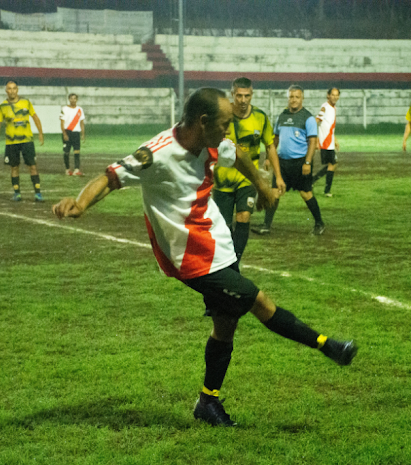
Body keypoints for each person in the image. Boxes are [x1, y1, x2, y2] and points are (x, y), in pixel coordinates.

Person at [52, 88, 358, 428]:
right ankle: (328, 346)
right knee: (259, 302)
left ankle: (207, 403)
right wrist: (80, 203)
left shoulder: (211, 142)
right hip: (191, 259)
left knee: (226, 326)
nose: (228, 130)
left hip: (219, 246)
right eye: (224, 123)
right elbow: (109, 178)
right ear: (203, 121)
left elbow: (236, 154)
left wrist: (261, 186)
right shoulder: (158, 153)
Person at [213, 77, 285, 263]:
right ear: (232, 94)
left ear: (252, 95)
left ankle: (234, 262)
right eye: (239, 96)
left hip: (249, 179)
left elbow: (270, 147)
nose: (243, 100)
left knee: (244, 217)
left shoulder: (260, 118)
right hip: (223, 179)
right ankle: (226, 261)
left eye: (247, 96)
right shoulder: (222, 115)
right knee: (224, 227)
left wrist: (278, 176)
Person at [252, 85, 325, 236]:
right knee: (274, 193)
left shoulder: (308, 118)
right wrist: (268, 159)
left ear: (302, 98)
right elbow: (275, 139)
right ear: (288, 98)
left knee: (306, 194)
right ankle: (266, 225)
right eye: (291, 97)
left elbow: (312, 142)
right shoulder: (282, 116)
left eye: (297, 97)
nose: (294, 100)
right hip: (282, 163)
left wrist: (307, 163)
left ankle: (319, 223)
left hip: (300, 163)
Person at [0, 80, 45, 202]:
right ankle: (17, 193)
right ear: (6, 91)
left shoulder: (26, 103)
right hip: (11, 143)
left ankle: (38, 193)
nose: (12, 91)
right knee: (14, 167)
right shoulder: (2, 106)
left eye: (14, 88)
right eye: (9, 88)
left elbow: (35, 117)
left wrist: (40, 133)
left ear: (17, 89)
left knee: (32, 166)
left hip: (27, 141)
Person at [313, 87, 341, 197]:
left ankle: (313, 181)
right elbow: (316, 120)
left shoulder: (333, 108)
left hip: (329, 141)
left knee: (332, 164)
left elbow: (330, 126)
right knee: (333, 164)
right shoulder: (325, 107)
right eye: (332, 95)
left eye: (336, 95)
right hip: (325, 141)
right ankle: (326, 191)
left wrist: (335, 140)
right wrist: (315, 138)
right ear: (328, 95)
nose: (335, 97)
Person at [60, 93, 86, 176]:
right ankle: (67, 169)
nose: (73, 100)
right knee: (66, 152)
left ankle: (76, 170)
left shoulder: (80, 109)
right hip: (67, 132)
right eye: (71, 98)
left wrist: (82, 133)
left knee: (77, 152)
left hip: (76, 133)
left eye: (74, 98)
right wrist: (64, 134)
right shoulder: (64, 109)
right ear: (69, 99)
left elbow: (82, 122)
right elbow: (62, 122)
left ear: (77, 100)